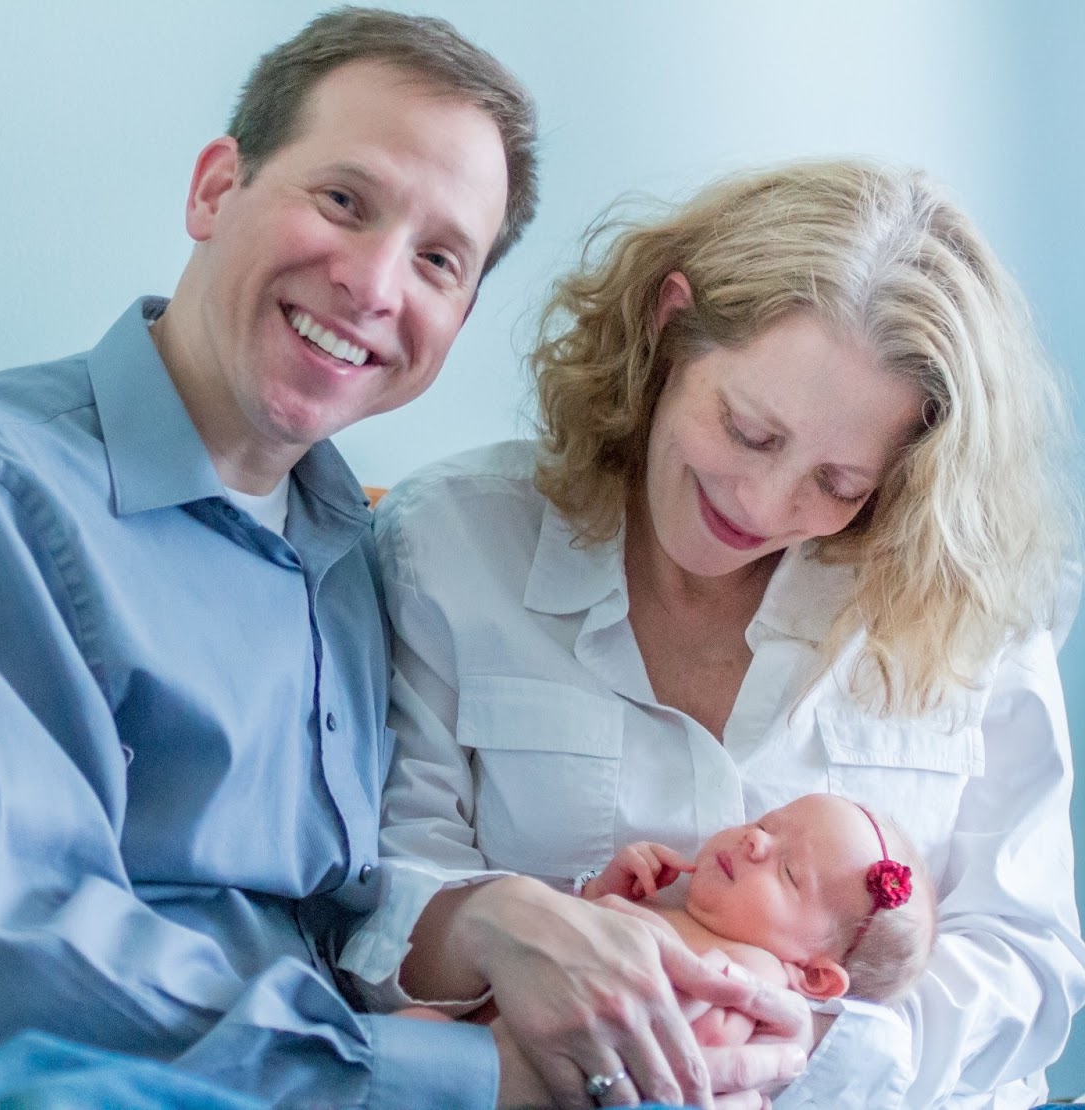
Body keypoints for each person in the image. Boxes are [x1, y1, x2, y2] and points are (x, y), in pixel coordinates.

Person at [0, 10, 804, 1110]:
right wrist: (481, 1079)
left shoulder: (356, 559)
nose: (375, 286)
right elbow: (12, 981)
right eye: (343, 201)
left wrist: (544, 950)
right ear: (216, 189)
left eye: (438, 260)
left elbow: (330, 934)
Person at [336, 159, 1085, 1109]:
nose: (762, 505)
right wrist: (504, 925)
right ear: (669, 327)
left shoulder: (966, 598)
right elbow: (376, 902)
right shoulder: (455, 541)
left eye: (839, 484)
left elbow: (1030, 959)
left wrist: (796, 1043)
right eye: (748, 431)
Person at [578, 794, 938, 1028]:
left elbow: (676, 1030)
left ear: (814, 976)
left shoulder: (756, 972)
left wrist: (618, 914)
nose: (756, 839)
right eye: (764, 824)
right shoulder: (669, 905)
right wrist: (605, 892)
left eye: (789, 872)